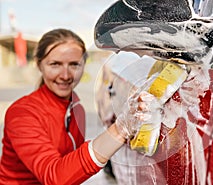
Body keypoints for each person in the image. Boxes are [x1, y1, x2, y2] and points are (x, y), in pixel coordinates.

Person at [0, 28, 162, 184]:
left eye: (74, 65)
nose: (65, 75)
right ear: (39, 64)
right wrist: (120, 129)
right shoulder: (22, 113)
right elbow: (55, 177)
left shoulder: (76, 107)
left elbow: (73, 169)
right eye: (55, 64)